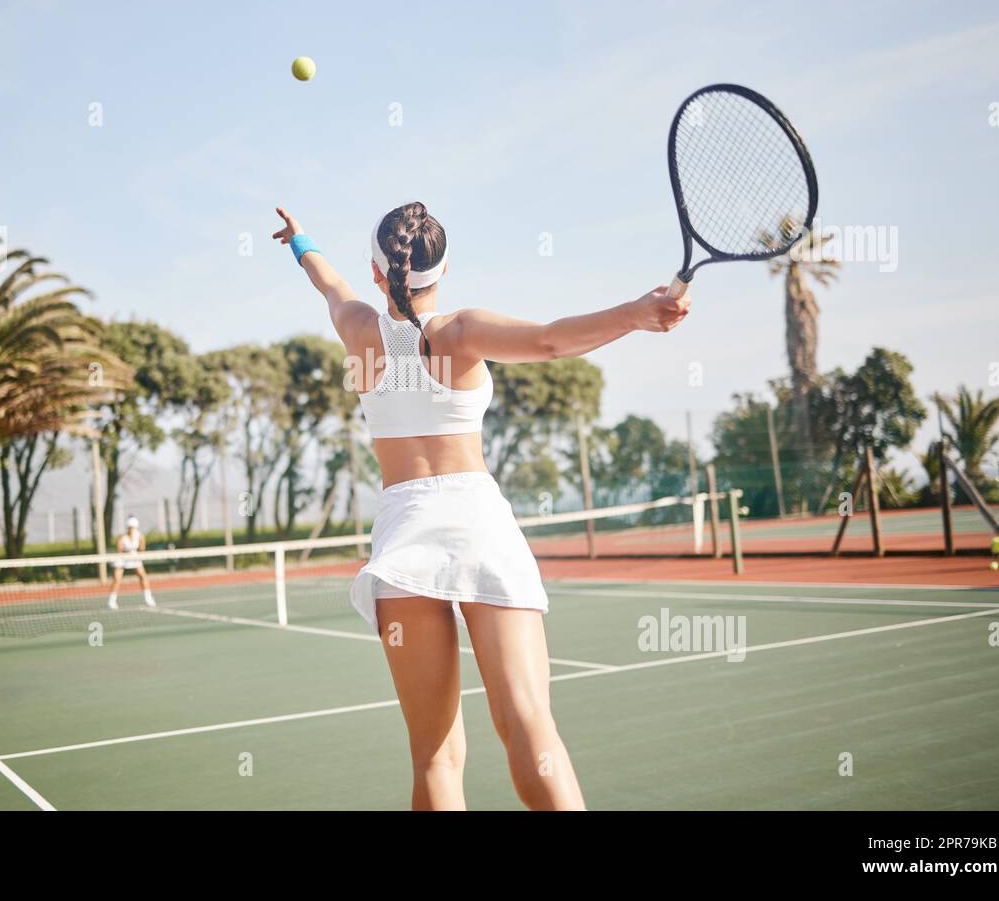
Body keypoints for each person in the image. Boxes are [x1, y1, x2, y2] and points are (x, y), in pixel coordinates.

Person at [273, 202, 690, 810]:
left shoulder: (358, 328)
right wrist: (637, 313)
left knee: (435, 758)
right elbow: (550, 341)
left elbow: (326, 281)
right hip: (479, 523)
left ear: (377, 268)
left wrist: (299, 239)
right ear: (441, 270)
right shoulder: (459, 333)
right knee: (529, 727)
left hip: (403, 537)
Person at [108, 516, 157, 610]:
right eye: (130, 527)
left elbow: (142, 549)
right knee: (117, 579)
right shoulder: (122, 538)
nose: (132, 529)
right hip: (122, 559)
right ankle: (112, 600)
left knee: (143, 576)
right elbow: (119, 550)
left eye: (133, 527)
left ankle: (148, 598)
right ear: (127, 527)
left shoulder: (140, 536)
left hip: (134, 558)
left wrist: (136, 554)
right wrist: (127, 554)